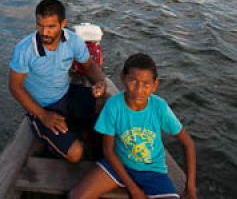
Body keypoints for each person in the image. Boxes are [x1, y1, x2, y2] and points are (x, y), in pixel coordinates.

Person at [70, 53, 197, 199]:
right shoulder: (113, 106)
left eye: (146, 84)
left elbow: (188, 143)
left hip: (153, 171)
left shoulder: (159, 107)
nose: (138, 90)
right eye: (133, 81)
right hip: (118, 165)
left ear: (155, 85)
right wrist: (133, 189)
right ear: (123, 78)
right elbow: (108, 151)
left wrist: (190, 188)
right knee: (77, 196)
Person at [9, 0, 108, 163]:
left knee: (108, 104)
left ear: (63, 24)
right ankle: (58, 134)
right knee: (75, 154)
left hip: (67, 94)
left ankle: (86, 133)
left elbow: (89, 65)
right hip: (42, 106)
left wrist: (100, 82)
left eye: (50, 27)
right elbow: (15, 87)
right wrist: (43, 115)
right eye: (39, 25)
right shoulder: (24, 50)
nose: (44, 32)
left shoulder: (73, 40)